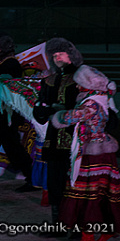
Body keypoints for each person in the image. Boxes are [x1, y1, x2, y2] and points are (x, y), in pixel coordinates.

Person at [52, 65, 119, 241]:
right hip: (103, 149)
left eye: (79, 83)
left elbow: (70, 118)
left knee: (88, 193)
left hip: (92, 152)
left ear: (88, 85)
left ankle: (87, 233)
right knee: (101, 192)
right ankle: (104, 230)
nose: (76, 86)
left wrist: (57, 114)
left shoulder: (90, 103)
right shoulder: (102, 97)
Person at [33, 38, 82, 237]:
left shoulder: (82, 77)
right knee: (55, 183)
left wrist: (65, 111)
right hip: (53, 140)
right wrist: (46, 110)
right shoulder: (49, 80)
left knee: (75, 185)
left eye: (60, 53)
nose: (57, 57)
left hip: (76, 140)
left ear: (71, 55)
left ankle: (77, 228)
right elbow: (39, 110)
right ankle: (58, 226)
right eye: (54, 55)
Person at [0, 30, 36, 192]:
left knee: (12, 147)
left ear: (2, 47)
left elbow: (11, 87)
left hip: (6, 114)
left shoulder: (10, 63)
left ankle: (32, 178)